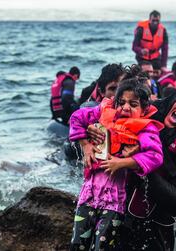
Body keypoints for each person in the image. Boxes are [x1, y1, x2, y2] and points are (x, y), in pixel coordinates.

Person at [87, 83, 176, 250]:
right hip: (112, 210)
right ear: (174, 99)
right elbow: (88, 117)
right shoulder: (148, 117)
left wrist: (139, 164)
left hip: (149, 231)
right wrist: (85, 142)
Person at [69, 78, 164, 251]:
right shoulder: (102, 112)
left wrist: (122, 163)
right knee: (77, 243)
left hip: (114, 200)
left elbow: (155, 156)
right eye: (121, 103)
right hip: (88, 195)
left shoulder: (146, 129)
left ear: (144, 110)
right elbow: (76, 118)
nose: (126, 108)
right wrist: (86, 146)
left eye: (133, 104)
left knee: (102, 246)